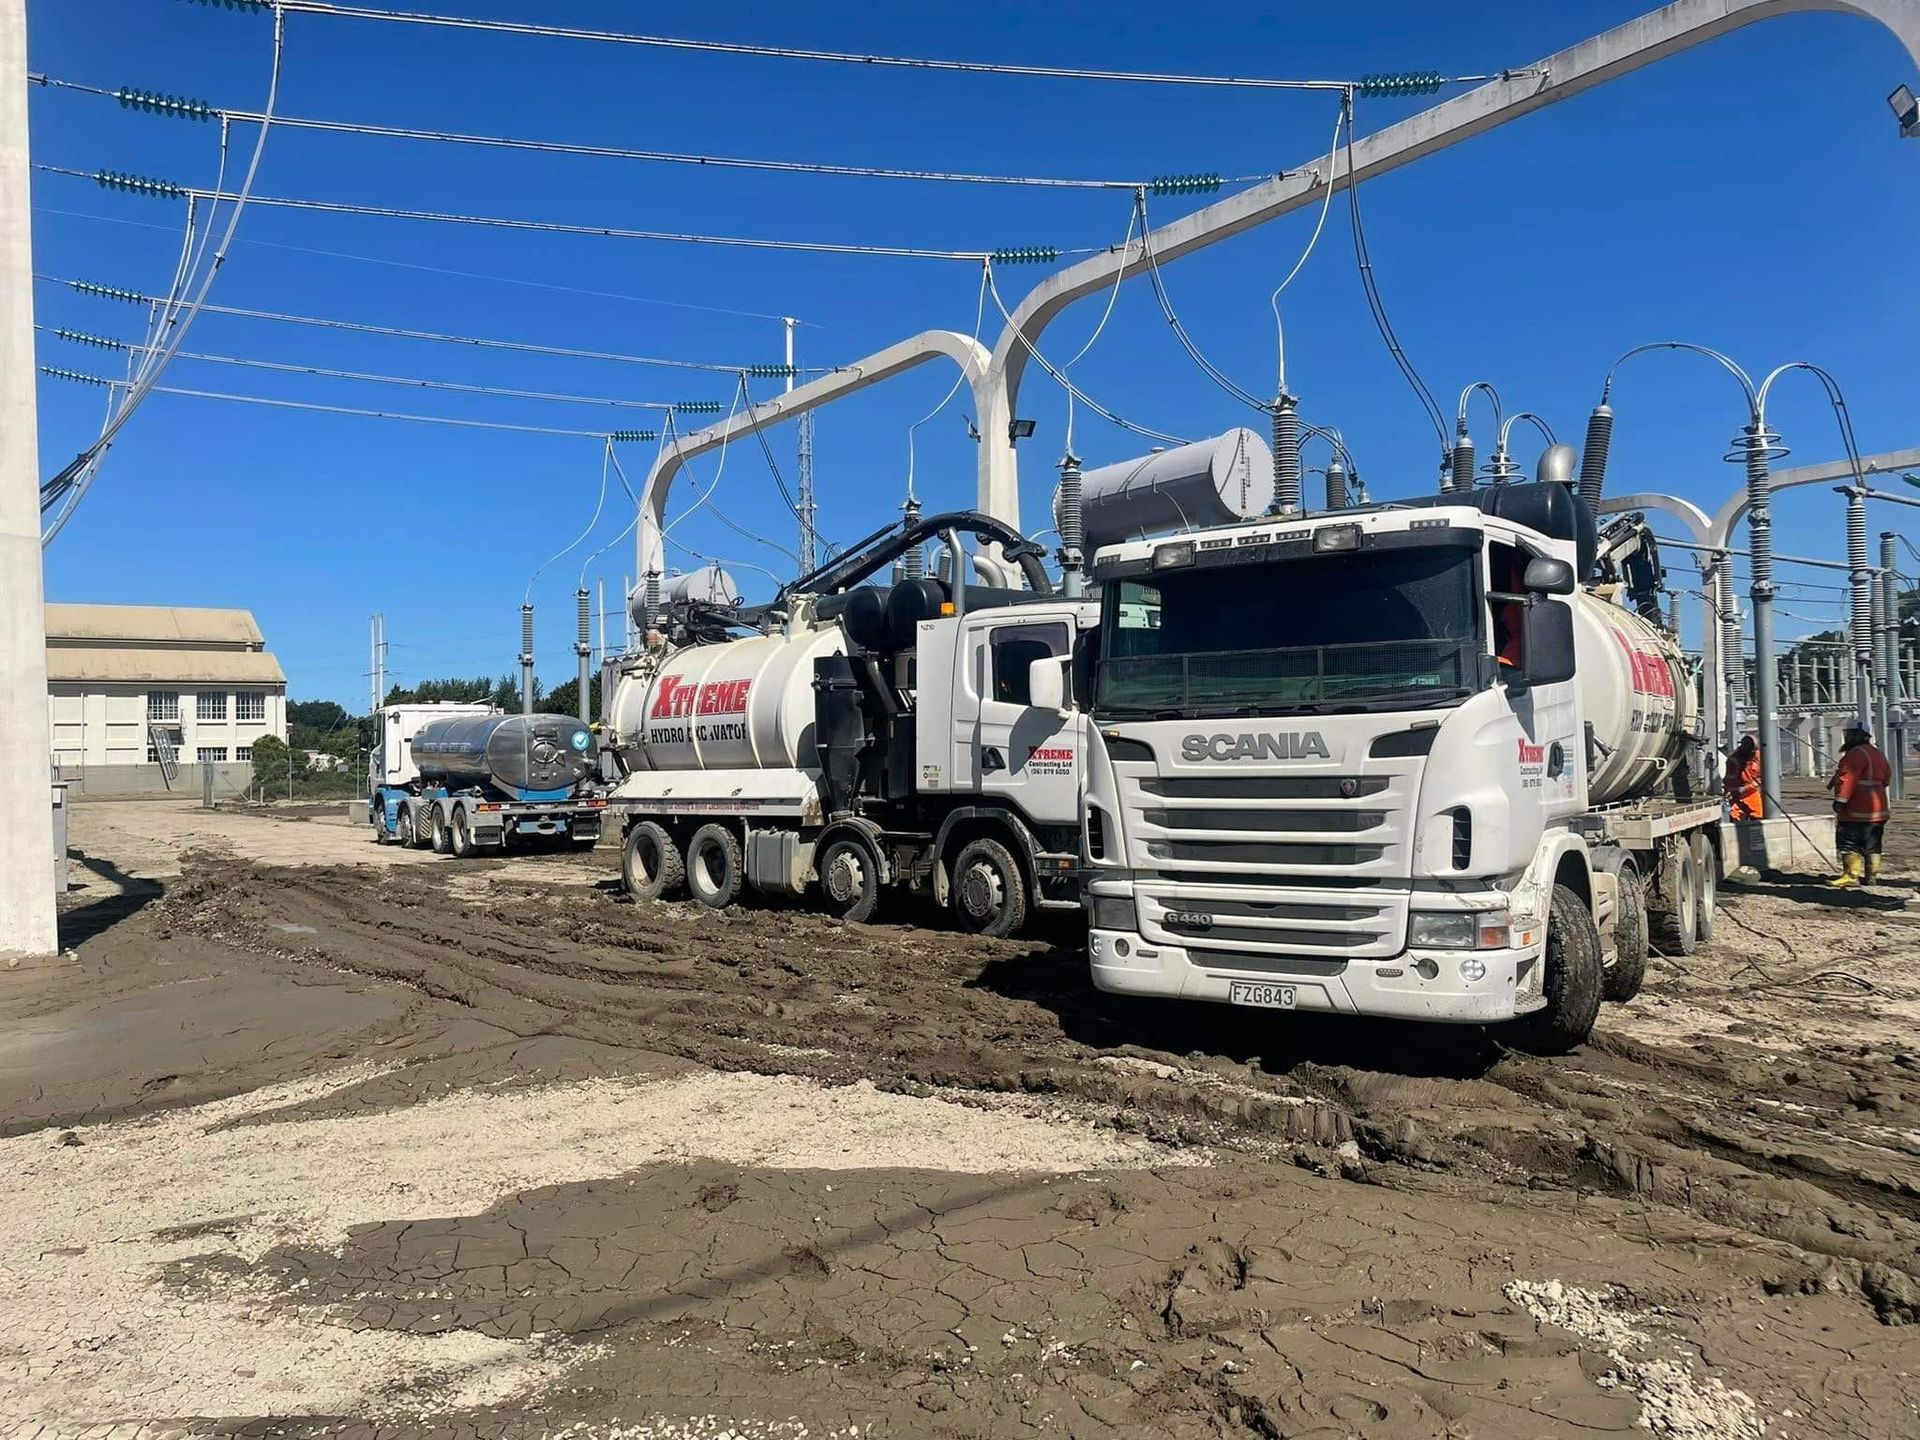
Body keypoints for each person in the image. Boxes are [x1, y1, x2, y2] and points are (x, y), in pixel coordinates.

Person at [1828, 720, 1893, 888]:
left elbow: (1847, 779)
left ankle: (1851, 876)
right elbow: (1886, 778)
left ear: (1856, 736)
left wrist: (1840, 801)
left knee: (1850, 843)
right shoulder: (1877, 753)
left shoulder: (1855, 754)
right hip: (1878, 809)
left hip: (1856, 810)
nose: (1846, 737)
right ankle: (1871, 876)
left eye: (1849, 734)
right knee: (1872, 845)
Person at [1723, 734, 1764, 821]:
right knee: (1735, 816)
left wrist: (1747, 787)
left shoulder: (1759, 757)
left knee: (1757, 816)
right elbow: (1729, 779)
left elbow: (1763, 778)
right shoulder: (1733, 760)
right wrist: (1731, 791)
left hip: (1752, 791)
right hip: (1736, 793)